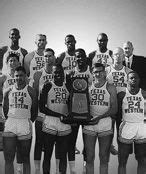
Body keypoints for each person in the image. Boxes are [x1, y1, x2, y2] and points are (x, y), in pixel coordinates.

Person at [83, 63, 117, 174]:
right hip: (90, 123)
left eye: (100, 71)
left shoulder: (110, 87)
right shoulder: (87, 86)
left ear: (105, 72)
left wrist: (100, 117)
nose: (98, 74)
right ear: (92, 74)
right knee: (89, 157)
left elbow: (114, 109)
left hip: (105, 123)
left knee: (103, 157)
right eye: (95, 72)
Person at [2, 66, 38, 174]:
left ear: (26, 77)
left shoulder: (31, 91)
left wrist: (28, 119)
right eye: (17, 76)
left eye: (21, 75)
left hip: (24, 123)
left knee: (25, 157)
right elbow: (5, 109)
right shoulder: (7, 90)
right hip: (11, 123)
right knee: (8, 158)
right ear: (14, 77)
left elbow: (34, 111)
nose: (19, 78)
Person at [64, 48, 92, 174]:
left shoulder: (92, 71)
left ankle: (85, 168)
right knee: (71, 142)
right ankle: (73, 170)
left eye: (81, 56)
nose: (79, 59)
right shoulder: (70, 74)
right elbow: (68, 94)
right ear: (74, 59)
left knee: (87, 143)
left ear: (86, 57)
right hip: (74, 113)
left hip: (88, 112)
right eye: (77, 57)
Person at [39, 64, 72, 174]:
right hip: (50, 123)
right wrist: (58, 115)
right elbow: (42, 108)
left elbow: (72, 105)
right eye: (56, 73)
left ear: (63, 74)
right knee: (48, 154)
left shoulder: (68, 86)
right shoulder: (48, 85)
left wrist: (71, 116)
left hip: (65, 124)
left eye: (60, 73)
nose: (58, 75)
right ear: (52, 74)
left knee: (63, 155)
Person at [30, 48, 56, 174]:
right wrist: (34, 114)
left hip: (55, 114)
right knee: (39, 142)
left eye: (50, 56)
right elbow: (34, 95)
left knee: (52, 145)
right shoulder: (38, 74)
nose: (48, 58)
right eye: (46, 56)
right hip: (41, 114)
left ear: (54, 57)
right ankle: (36, 170)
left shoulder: (59, 72)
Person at [117, 71, 146, 174]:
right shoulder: (122, 94)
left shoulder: (144, 93)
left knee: (142, 159)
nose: (134, 80)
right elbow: (118, 113)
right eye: (131, 78)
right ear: (127, 80)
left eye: (136, 78)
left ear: (139, 80)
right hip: (127, 125)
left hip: (141, 126)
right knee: (122, 160)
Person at [106, 47, 132, 151]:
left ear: (124, 57)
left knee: (123, 126)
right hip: (110, 103)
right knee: (109, 126)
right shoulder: (106, 70)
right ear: (112, 56)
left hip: (123, 103)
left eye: (121, 54)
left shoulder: (129, 71)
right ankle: (110, 146)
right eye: (116, 54)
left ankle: (124, 147)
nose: (118, 56)